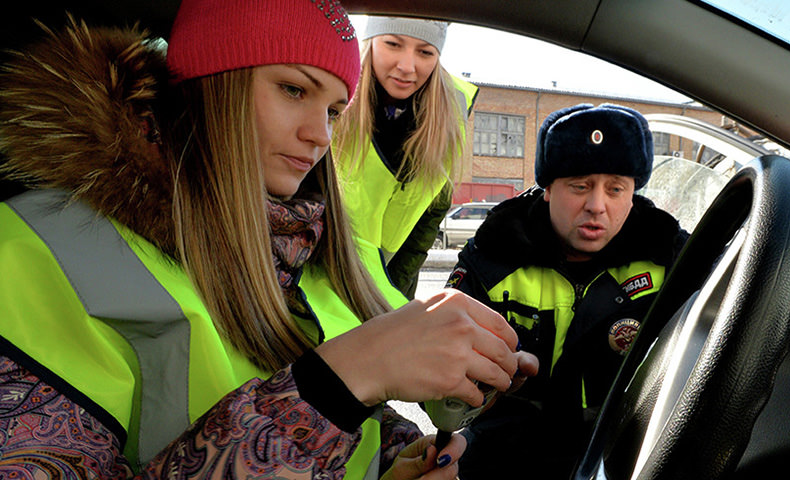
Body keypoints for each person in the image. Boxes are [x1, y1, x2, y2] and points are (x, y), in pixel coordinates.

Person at [0, 1, 538, 479]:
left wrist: (400, 454)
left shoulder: (312, 248)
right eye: (293, 89)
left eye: (333, 110)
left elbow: (341, 415)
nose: (320, 135)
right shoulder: (40, 253)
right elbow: (328, 385)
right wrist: (339, 382)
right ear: (211, 82)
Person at [446, 103, 690, 479]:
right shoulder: (495, 255)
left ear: (633, 192)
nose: (596, 206)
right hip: (505, 456)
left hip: (624, 453)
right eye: (579, 186)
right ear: (548, 189)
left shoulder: (670, 257)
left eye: (615, 188)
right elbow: (447, 387)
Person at [333, 15, 479, 299]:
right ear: (371, 41)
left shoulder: (451, 116)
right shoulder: (334, 98)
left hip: (393, 282)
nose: (407, 66)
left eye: (425, 52)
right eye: (393, 44)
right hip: (321, 278)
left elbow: (429, 218)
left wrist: (390, 294)